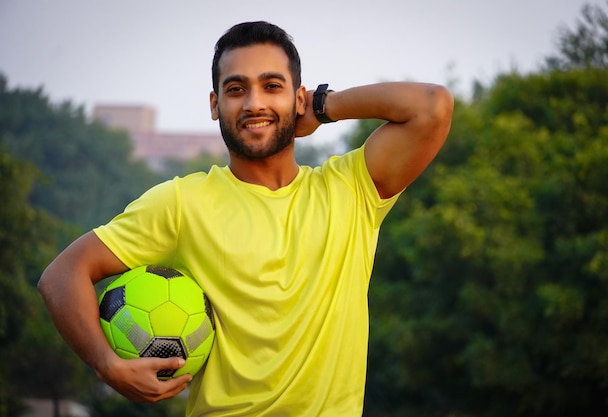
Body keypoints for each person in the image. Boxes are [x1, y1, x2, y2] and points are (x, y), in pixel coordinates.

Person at [38, 21, 454, 416]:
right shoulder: (182, 202)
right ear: (216, 105)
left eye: (272, 86)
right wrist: (107, 365)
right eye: (236, 89)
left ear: (298, 98)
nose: (254, 102)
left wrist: (326, 105)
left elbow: (432, 106)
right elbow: (62, 275)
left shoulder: (350, 189)